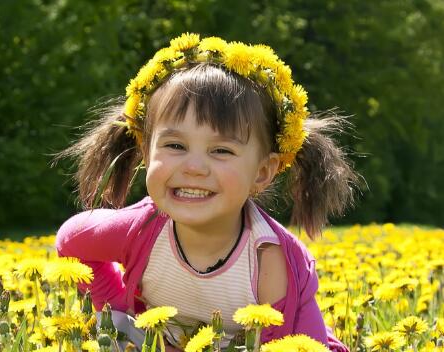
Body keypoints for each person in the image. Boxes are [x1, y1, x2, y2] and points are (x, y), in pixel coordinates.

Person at [55, 33, 359, 352]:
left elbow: (295, 346)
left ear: (262, 172)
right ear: (146, 152)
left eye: (221, 151)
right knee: (109, 337)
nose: (195, 167)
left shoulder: (271, 260)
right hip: (160, 343)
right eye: (175, 146)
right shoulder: (139, 230)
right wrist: (120, 310)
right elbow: (71, 243)